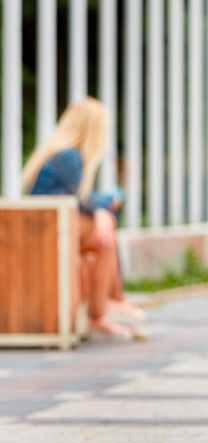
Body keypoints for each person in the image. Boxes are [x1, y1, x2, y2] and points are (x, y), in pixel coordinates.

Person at [21, 97, 144, 339]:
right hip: (47, 229)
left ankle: (110, 303)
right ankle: (102, 310)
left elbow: (80, 198)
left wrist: (102, 207)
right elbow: (76, 201)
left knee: (105, 223)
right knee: (103, 234)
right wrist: (102, 209)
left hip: (46, 226)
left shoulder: (61, 154)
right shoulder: (70, 157)